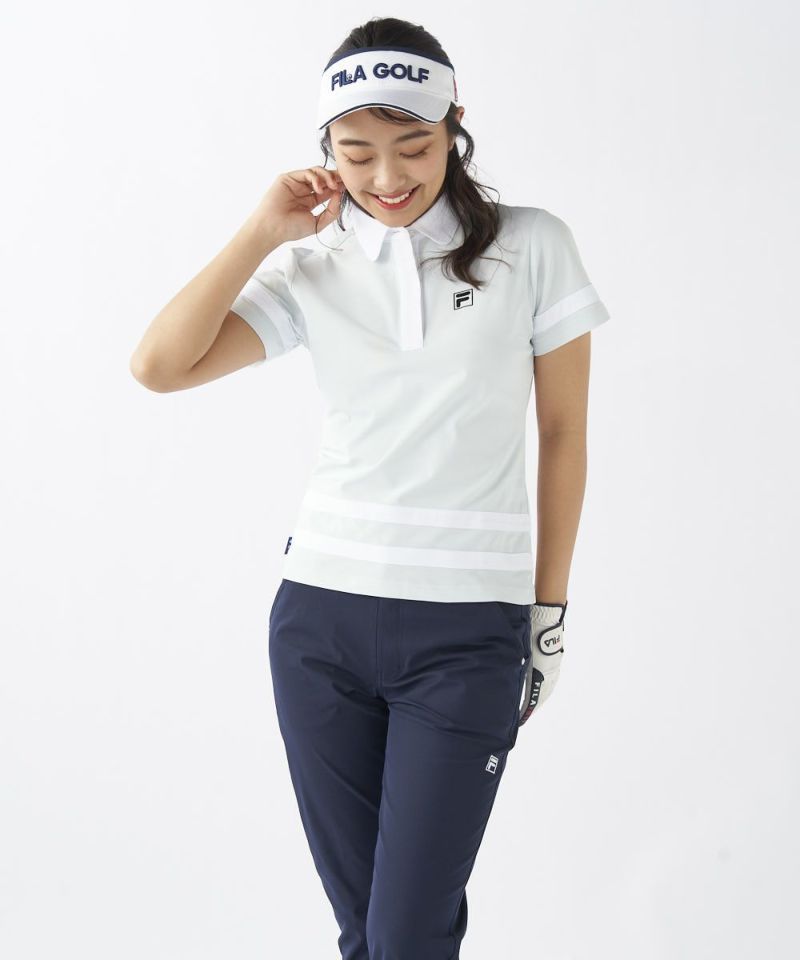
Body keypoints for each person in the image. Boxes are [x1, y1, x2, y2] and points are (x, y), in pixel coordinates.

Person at [130, 16, 610, 960]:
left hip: (465, 635)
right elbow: (159, 366)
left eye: (414, 147)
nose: (387, 177)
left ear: (456, 127)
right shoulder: (314, 266)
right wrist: (260, 232)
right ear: (327, 152)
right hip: (320, 624)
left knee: (406, 932)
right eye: (356, 154)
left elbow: (562, 435)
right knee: (369, 935)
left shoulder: (532, 246)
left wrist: (547, 612)